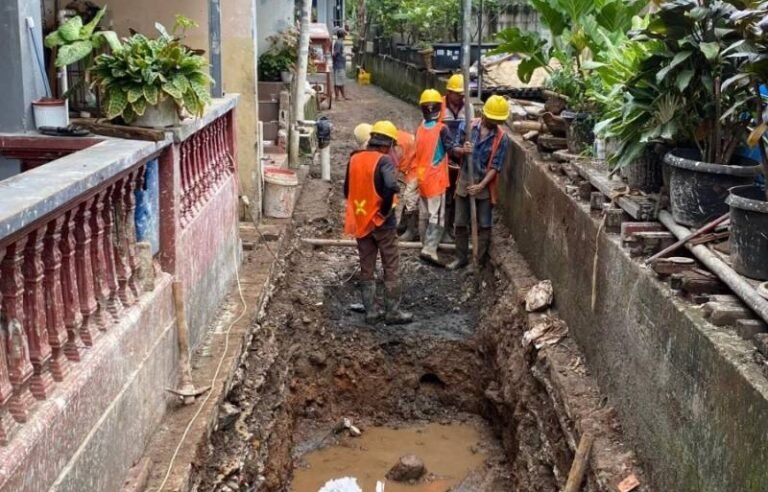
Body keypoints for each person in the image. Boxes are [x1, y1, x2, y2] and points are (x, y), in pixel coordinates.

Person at [344, 120, 413, 325]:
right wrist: (382, 212)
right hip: (383, 223)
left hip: (361, 220)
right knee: (390, 264)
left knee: (367, 265)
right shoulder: (383, 161)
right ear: (386, 145)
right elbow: (391, 186)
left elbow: (347, 190)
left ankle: (371, 312)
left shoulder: (354, 159)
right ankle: (392, 312)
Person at [448, 95, 511, 270]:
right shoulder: (468, 126)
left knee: (484, 224)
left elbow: (496, 166)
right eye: (492, 119)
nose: (494, 123)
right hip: (465, 180)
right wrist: (462, 150)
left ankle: (478, 261)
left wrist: (481, 185)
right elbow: (453, 148)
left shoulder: (501, 137)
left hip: (484, 184)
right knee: (460, 222)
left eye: (498, 120)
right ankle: (461, 258)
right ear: (484, 114)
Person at [411, 89, 459, 265]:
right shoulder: (442, 129)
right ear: (440, 107)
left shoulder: (420, 129)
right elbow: (452, 150)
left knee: (425, 212)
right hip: (436, 178)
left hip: (422, 176)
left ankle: (424, 244)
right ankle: (430, 249)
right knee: (437, 215)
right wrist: (464, 151)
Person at [439, 73, 467, 243]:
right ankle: (442, 229)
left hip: (460, 154)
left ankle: (456, 227)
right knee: (444, 193)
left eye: (463, 94)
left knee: (458, 193)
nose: (460, 97)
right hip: (442, 155)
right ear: (449, 92)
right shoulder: (439, 106)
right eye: (457, 94)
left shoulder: (467, 108)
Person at [333, 30, 350, 101]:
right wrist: (335, 62)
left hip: (341, 65)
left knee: (341, 81)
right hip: (338, 65)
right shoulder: (338, 43)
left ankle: (343, 96)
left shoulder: (340, 43)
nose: (345, 36)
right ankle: (337, 96)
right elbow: (335, 54)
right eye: (345, 35)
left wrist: (347, 54)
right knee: (338, 82)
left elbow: (340, 53)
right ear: (342, 35)